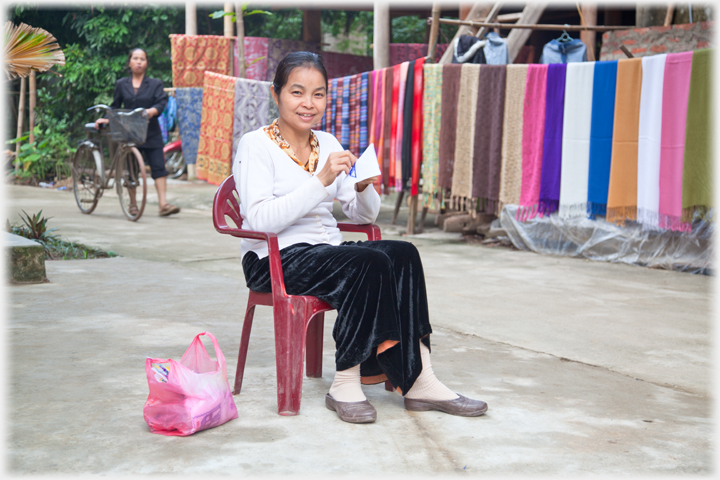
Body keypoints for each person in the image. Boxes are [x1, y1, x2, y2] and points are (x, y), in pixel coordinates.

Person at [233, 51, 488, 424]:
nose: (308, 104)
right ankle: (345, 383)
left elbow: (362, 215)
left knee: (403, 254)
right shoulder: (256, 145)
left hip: (325, 253)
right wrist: (320, 182)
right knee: (365, 262)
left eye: (318, 94)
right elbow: (259, 220)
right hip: (273, 258)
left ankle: (420, 380)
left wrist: (365, 187)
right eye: (297, 92)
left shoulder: (328, 142)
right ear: (277, 95)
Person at [95, 48, 180, 217]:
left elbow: (161, 103)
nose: (139, 61)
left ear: (146, 63)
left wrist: (151, 111)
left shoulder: (155, 84)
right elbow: (115, 105)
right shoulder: (121, 84)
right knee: (132, 169)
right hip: (129, 133)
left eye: (142, 58)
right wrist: (106, 118)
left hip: (151, 131)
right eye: (135, 58)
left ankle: (163, 204)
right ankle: (133, 204)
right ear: (130, 62)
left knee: (159, 167)